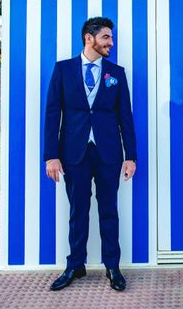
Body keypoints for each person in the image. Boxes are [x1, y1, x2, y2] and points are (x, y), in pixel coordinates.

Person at [43, 17, 137, 292]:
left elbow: (125, 116)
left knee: (109, 211)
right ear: (89, 38)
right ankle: (75, 265)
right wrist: (51, 155)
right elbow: (52, 113)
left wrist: (130, 155)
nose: (111, 42)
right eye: (106, 37)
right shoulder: (63, 70)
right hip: (73, 153)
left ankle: (112, 266)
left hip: (108, 153)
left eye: (111, 37)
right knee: (78, 211)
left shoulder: (116, 73)